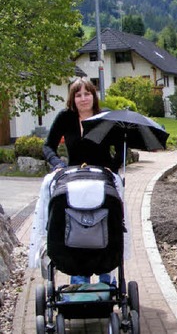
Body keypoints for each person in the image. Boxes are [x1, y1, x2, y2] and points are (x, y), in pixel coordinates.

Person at [37, 78, 125, 286]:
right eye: (78, 95)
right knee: (75, 222)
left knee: (105, 221)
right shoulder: (65, 118)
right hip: (74, 177)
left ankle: (107, 274)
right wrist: (57, 163)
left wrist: (111, 167)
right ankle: (78, 275)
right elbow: (47, 146)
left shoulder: (105, 118)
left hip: (101, 179)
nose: (83, 98)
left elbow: (121, 150)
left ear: (94, 96)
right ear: (72, 98)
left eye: (87, 94)